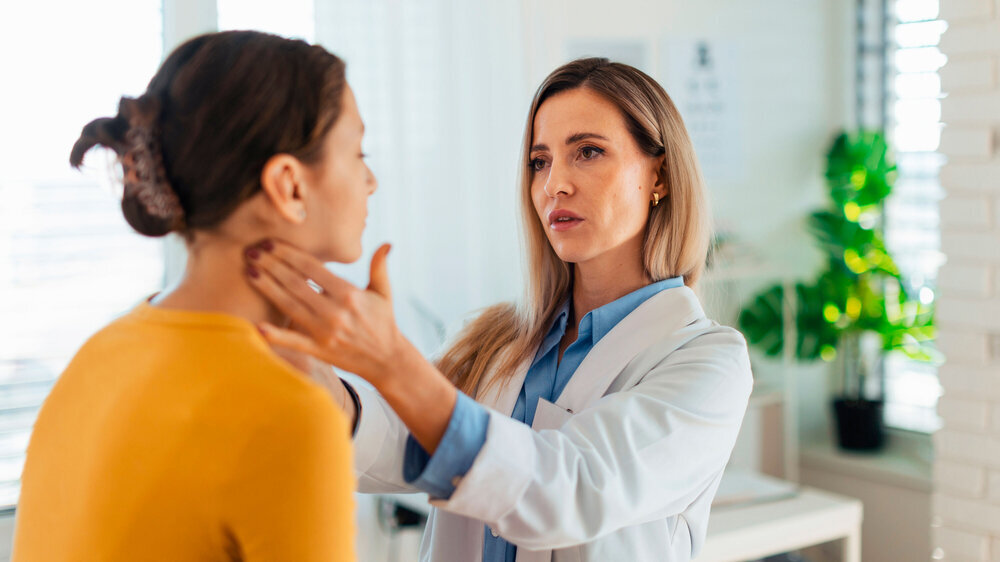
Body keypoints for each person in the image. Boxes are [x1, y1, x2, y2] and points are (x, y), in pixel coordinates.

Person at [245, 57, 753, 562]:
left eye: (589, 152)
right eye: (540, 161)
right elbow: (409, 441)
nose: (555, 184)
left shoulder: (708, 362)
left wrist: (391, 361)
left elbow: (567, 490)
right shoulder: (497, 337)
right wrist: (313, 370)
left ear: (659, 175)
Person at [13, 30, 373, 561]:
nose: (370, 181)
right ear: (290, 185)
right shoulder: (289, 419)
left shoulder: (98, 356)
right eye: (357, 152)